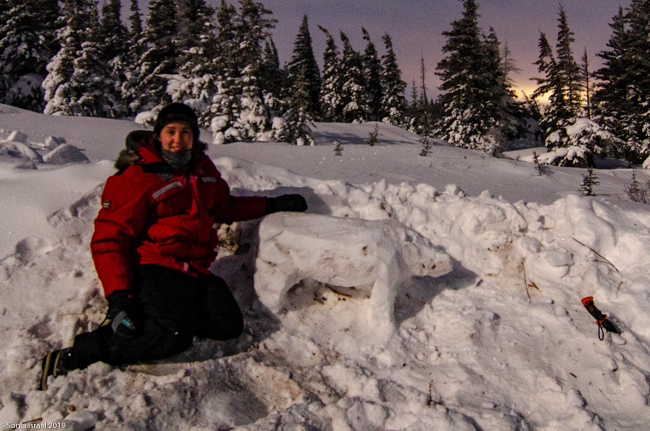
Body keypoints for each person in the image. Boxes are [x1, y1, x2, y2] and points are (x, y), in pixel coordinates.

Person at [39, 103, 307, 390]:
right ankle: (75, 355)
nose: (178, 139)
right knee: (171, 336)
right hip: (154, 265)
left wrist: (270, 204)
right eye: (171, 131)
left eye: (185, 132)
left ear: (194, 137)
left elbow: (223, 207)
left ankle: (166, 314)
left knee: (227, 325)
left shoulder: (203, 169)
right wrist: (118, 296)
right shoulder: (137, 175)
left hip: (193, 269)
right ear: (158, 135)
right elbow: (110, 239)